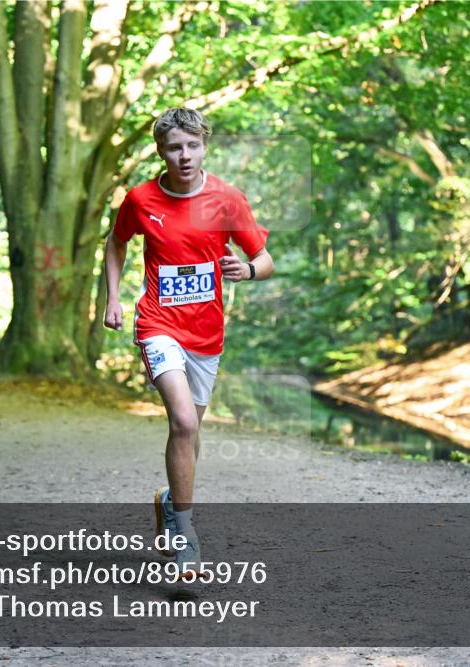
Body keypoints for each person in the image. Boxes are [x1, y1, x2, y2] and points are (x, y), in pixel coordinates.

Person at [103, 108, 274, 577]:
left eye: (192, 146)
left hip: (206, 333)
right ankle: (186, 537)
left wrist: (249, 270)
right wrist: (114, 297)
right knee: (182, 421)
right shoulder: (140, 199)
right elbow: (116, 243)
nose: (184, 156)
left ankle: (167, 500)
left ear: (204, 146)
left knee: (190, 432)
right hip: (158, 324)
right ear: (160, 151)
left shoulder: (227, 200)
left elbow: (264, 258)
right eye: (174, 147)